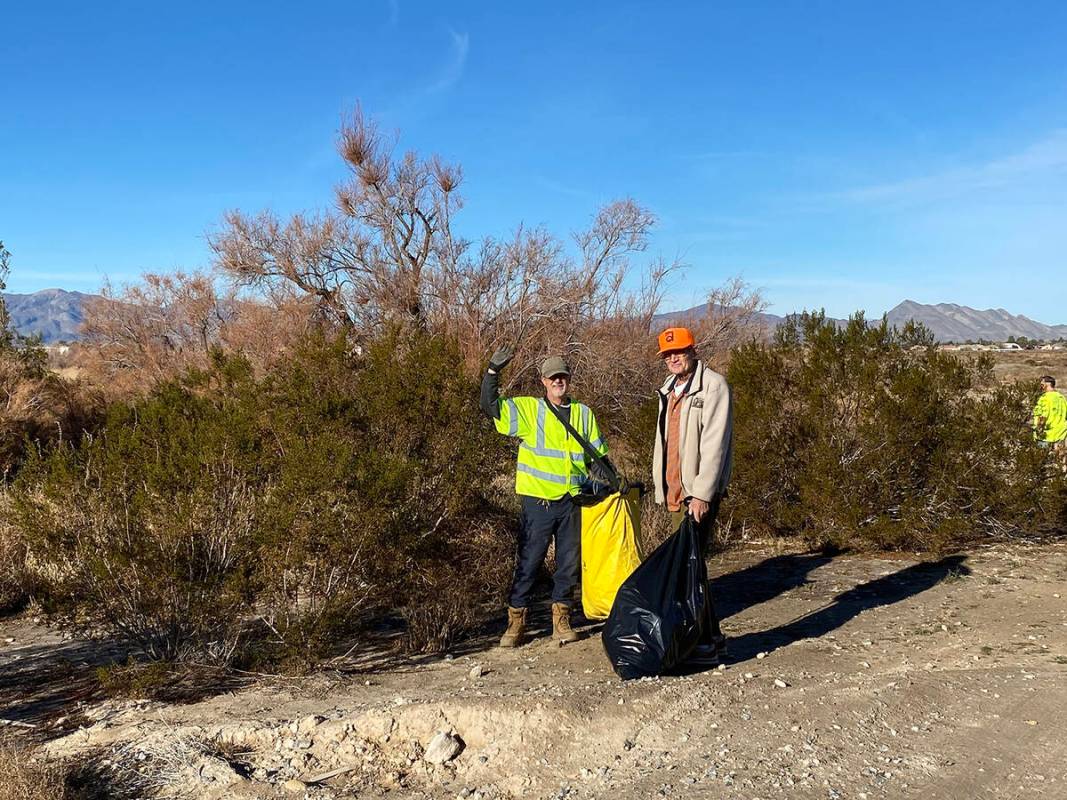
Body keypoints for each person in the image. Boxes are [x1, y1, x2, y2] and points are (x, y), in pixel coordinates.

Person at [481, 348, 610, 647]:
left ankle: (562, 620)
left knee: (568, 564)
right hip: (537, 502)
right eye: (553, 377)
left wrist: (611, 483)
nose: (558, 382)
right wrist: (491, 373)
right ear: (543, 381)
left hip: (572, 501)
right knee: (529, 563)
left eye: (562, 376)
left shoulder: (583, 413)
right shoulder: (530, 411)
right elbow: (491, 407)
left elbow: (598, 457)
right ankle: (516, 623)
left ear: (569, 379)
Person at [651, 326, 733, 663]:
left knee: (692, 569)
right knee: (690, 568)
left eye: (679, 351)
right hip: (674, 490)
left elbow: (715, 445)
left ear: (693, 350)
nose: (673, 358)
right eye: (668, 354)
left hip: (696, 494)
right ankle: (704, 639)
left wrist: (701, 495)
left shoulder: (713, 386)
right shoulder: (669, 389)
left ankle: (706, 642)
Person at [1033, 375, 1067, 455]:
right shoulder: (1062, 398)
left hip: (1045, 435)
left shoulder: (1044, 398)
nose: (1040, 386)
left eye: (1042, 383)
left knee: (1042, 461)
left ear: (1047, 384)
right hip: (1060, 433)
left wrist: (1039, 430)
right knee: (1059, 461)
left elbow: (1043, 416)